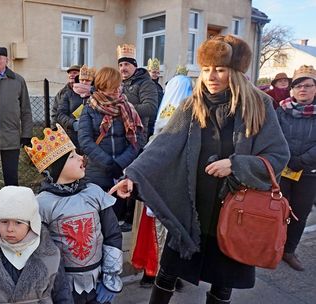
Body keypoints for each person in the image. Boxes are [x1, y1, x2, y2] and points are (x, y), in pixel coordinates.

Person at [109, 35, 289, 304]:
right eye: (206, 69)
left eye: (219, 69)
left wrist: (236, 165)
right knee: (168, 272)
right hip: (190, 210)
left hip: (233, 212)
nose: (211, 76)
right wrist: (132, 176)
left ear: (235, 72)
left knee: (222, 283)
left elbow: (278, 155)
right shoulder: (192, 105)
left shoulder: (258, 105)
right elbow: (163, 145)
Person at [24, 125, 123, 304]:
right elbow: (42, 252)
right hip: (64, 289)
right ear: (56, 168)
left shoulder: (94, 194)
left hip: (98, 280)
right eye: (72, 156)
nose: (81, 158)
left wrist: (110, 277)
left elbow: (112, 235)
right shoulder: (42, 204)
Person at [130, 73, 194, 289]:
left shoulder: (173, 114)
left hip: (161, 180)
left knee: (161, 228)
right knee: (167, 228)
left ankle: (156, 271)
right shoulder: (184, 114)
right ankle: (163, 272)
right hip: (170, 182)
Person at [0, 186, 73, 304]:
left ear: (32, 223)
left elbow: (62, 295)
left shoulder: (50, 256)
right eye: (4, 222)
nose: (10, 229)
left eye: (18, 223)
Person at [78, 67, 144, 225]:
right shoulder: (90, 108)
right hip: (96, 174)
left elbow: (138, 138)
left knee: (115, 221)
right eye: (112, 86)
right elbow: (85, 140)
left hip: (120, 173)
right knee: (95, 221)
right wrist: (108, 163)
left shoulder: (127, 107)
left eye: (118, 85)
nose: (117, 90)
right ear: (101, 86)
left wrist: (120, 163)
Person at [0, 46, 33, 222]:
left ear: (6, 60)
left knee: (11, 175)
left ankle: (12, 208)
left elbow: (26, 110)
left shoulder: (18, 80)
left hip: (11, 136)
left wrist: (26, 134)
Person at [276, 65, 316, 272]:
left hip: (309, 173)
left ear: (315, 89)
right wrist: (287, 157)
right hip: (283, 169)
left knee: (299, 213)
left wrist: (302, 161)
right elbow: (274, 135)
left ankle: (289, 251)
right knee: (278, 210)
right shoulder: (281, 110)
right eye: (298, 85)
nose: (303, 89)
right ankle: (273, 247)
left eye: (308, 85)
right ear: (292, 89)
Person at [117, 44, 159, 145]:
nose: (123, 68)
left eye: (127, 64)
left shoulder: (145, 83)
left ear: (135, 66)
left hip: (136, 136)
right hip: (119, 135)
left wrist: (124, 109)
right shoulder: (118, 82)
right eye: (120, 65)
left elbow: (151, 107)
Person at [57, 64, 95, 149]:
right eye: (82, 80)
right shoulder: (69, 94)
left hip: (92, 135)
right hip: (73, 136)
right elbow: (60, 114)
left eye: (87, 80)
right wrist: (73, 124)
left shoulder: (97, 95)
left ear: (92, 81)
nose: (84, 82)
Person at [146, 58, 164, 138]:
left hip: (156, 118)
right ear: (148, 72)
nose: (155, 74)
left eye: (157, 72)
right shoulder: (145, 85)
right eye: (153, 72)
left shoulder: (159, 87)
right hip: (148, 119)